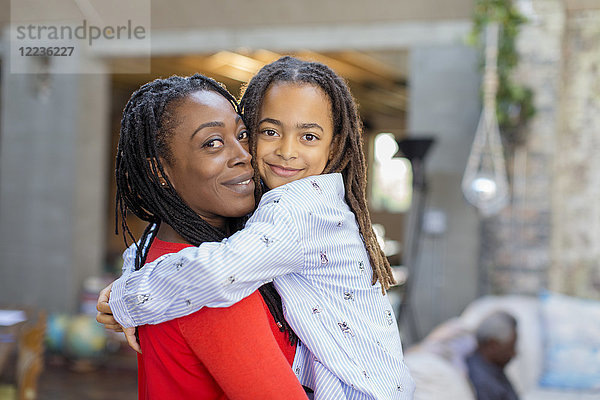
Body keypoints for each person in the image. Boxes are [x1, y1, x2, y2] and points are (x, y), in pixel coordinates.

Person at [104, 56, 415, 399]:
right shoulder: (266, 215)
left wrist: (128, 295)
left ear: (335, 144)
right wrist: (131, 271)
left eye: (308, 136)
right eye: (268, 132)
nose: (286, 151)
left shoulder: (297, 209)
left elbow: (220, 271)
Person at [104, 74, 309, 399]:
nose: (242, 154)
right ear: (160, 171)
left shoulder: (157, 253)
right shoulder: (213, 290)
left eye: (242, 135)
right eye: (212, 143)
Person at [466, 311, 520, 400]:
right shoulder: (483, 382)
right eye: (510, 347)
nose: (514, 353)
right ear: (493, 344)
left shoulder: (493, 368)